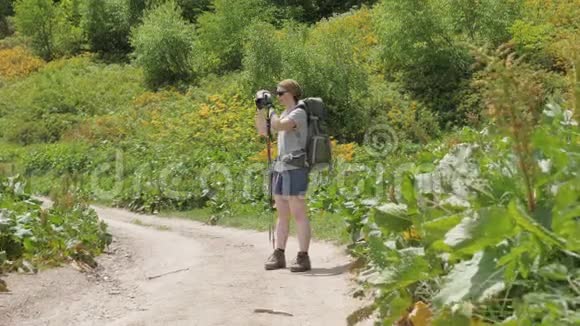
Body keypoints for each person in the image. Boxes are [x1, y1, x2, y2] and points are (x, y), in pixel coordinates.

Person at [255, 79, 312, 272]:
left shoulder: (299, 112)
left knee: (298, 212)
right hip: (280, 167)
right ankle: (279, 253)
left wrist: (271, 110)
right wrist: (261, 110)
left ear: (290, 93)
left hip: (295, 167)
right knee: (282, 213)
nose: (277, 97)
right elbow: (264, 132)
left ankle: (303, 256)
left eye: (280, 93)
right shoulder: (284, 113)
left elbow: (279, 125)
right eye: (276, 94)